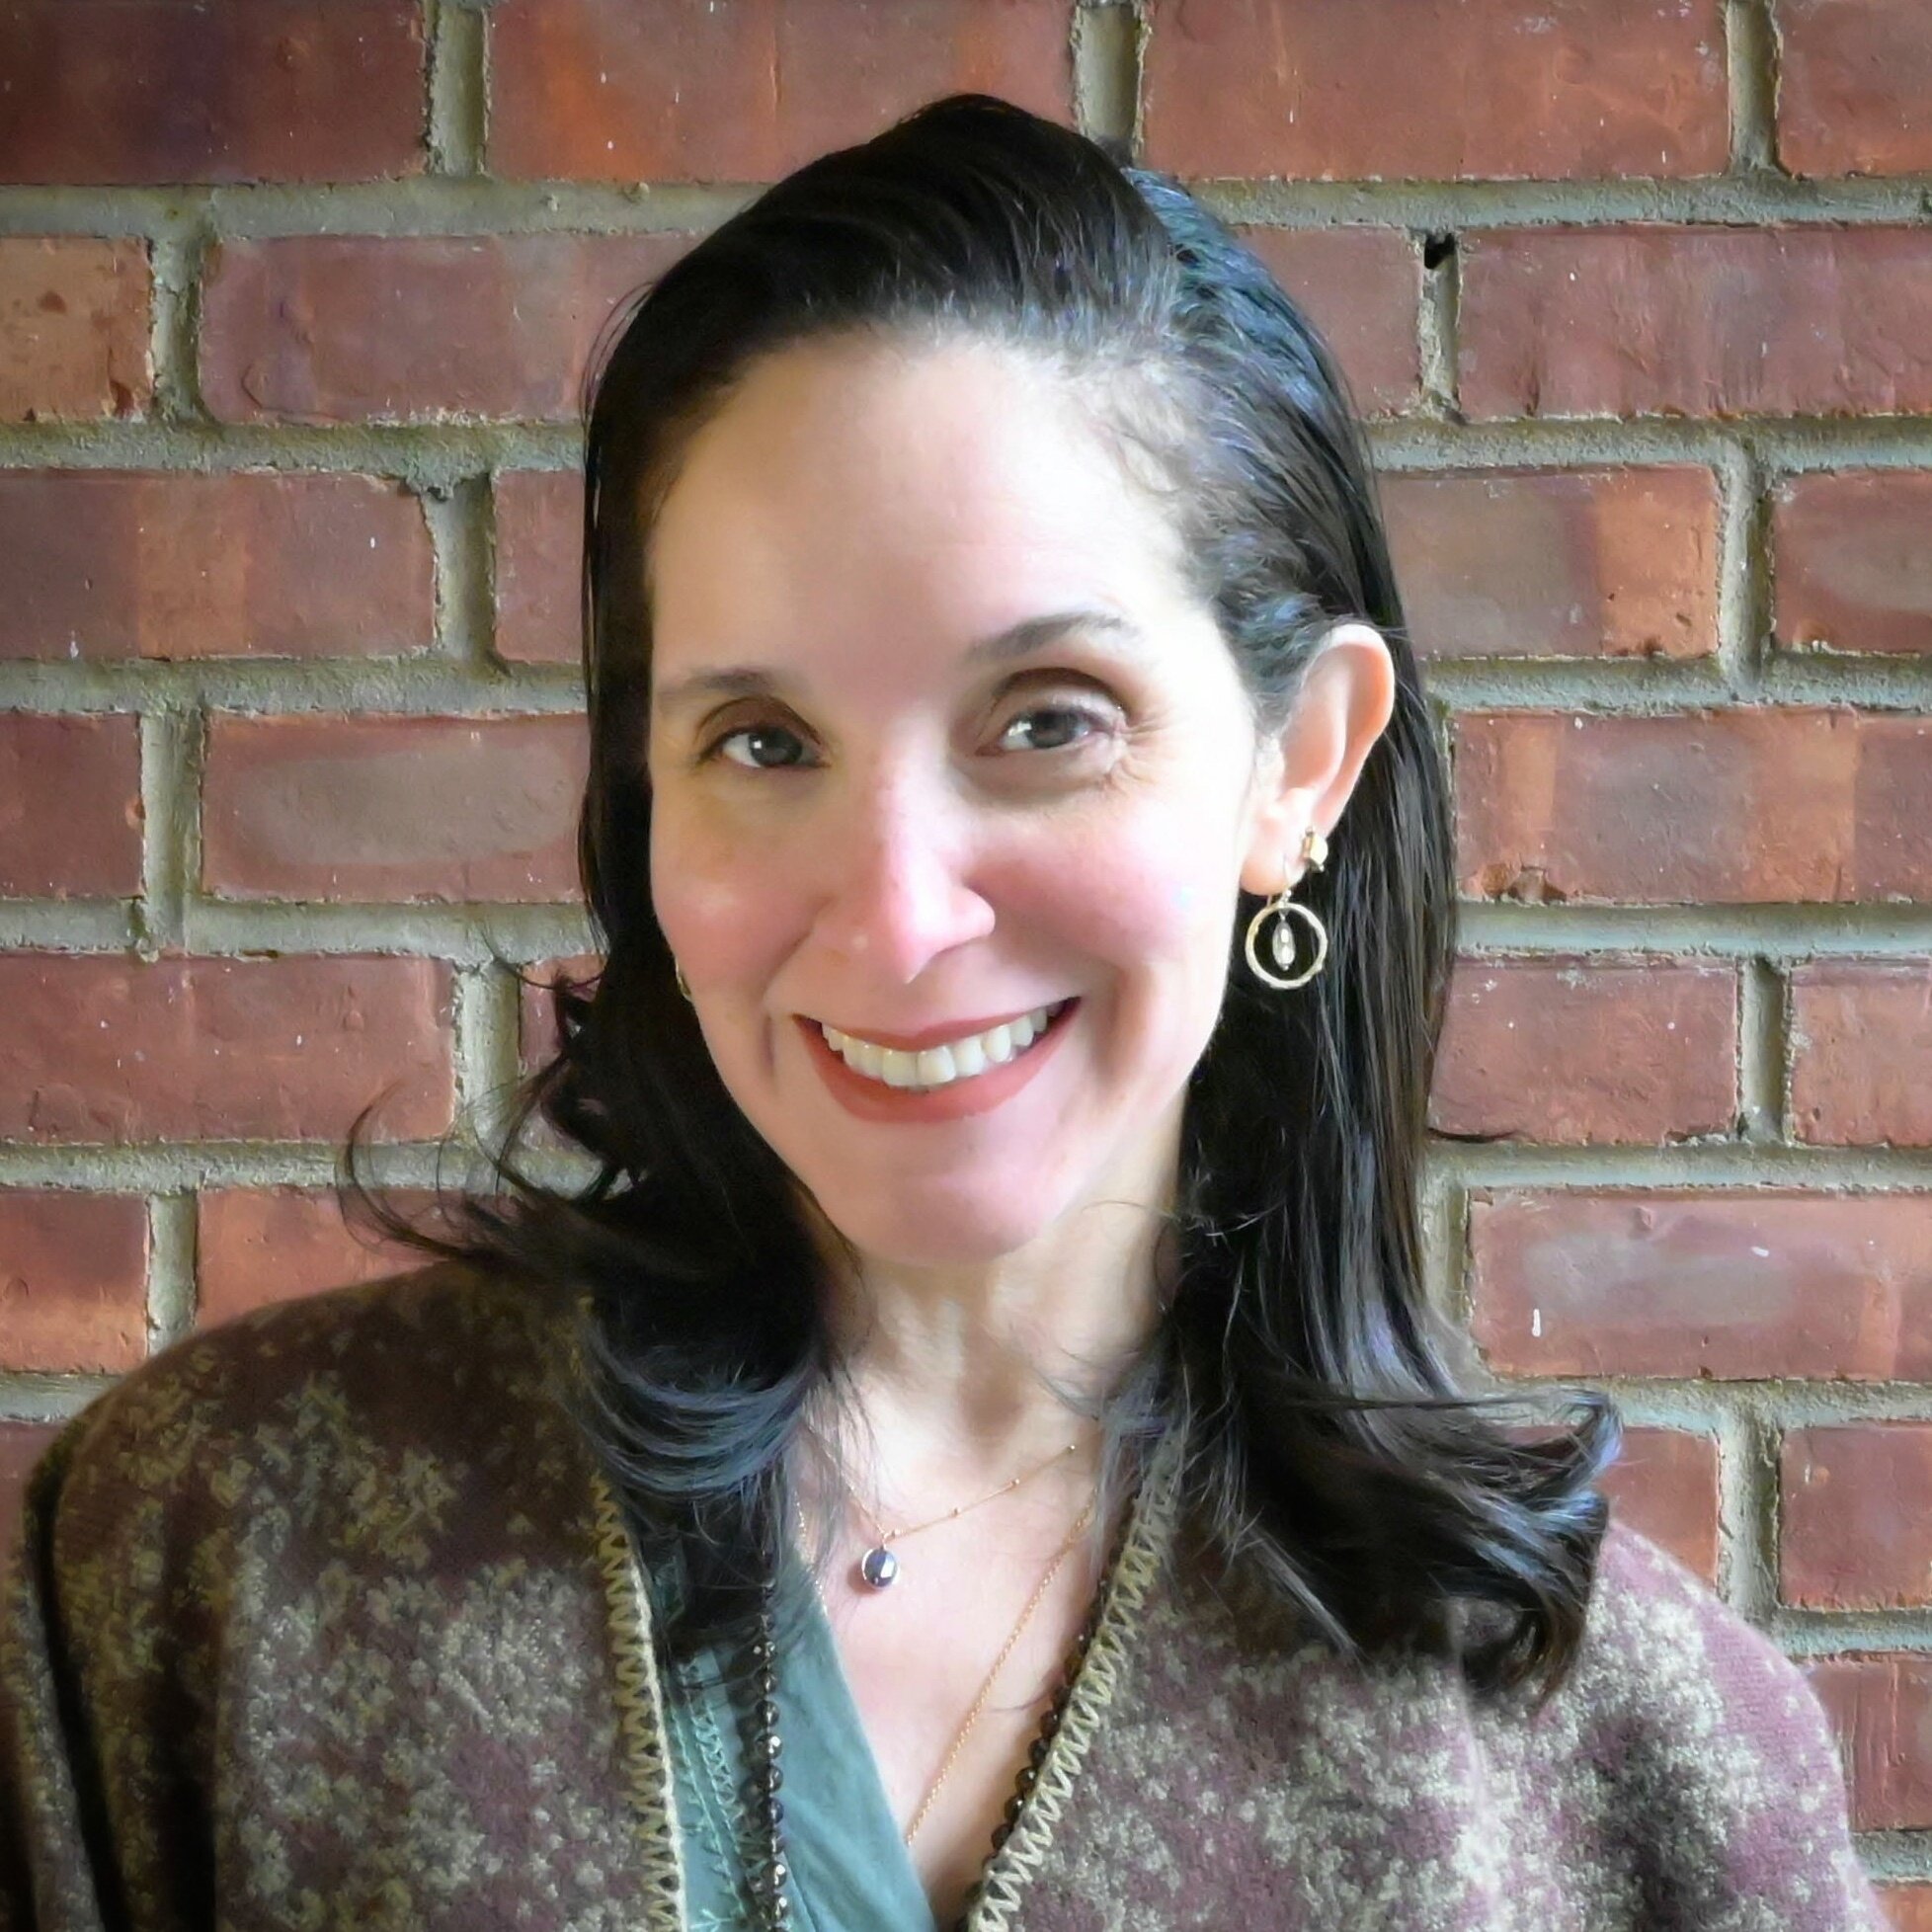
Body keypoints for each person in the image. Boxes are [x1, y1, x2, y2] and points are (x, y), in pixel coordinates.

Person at [0, 94, 1885, 1932]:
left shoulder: (1636, 1766)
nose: (898, 922)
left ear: (1299, 765)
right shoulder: (202, 1567)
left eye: (1048, 719)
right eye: (761, 740)